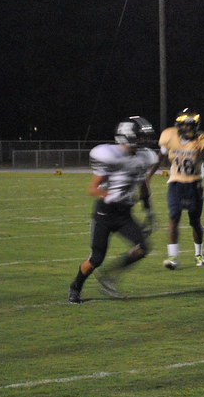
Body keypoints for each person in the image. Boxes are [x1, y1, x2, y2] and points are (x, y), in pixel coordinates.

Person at [67, 116, 160, 303]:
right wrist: (108, 195)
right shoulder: (111, 156)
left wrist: (148, 210)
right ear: (127, 137)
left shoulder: (142, 158)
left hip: (124, 214)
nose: (144, 141)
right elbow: (93, 188)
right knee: (96, 258)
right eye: (140, 137)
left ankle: (108, 277)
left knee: (142, 247)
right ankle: (75, 286)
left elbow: (143, 185)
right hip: (105, 212)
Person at [158, 108, 204, 270]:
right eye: (185, 125)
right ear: (179, 125)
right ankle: (173, 257)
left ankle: (199, 254)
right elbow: (161, 155)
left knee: (195, 221)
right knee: (174, 218)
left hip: (194, 183)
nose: (188, 129)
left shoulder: (203, 141)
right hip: (176, 183)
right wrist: (148, 175)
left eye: (191, 126)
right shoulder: (169, 136)